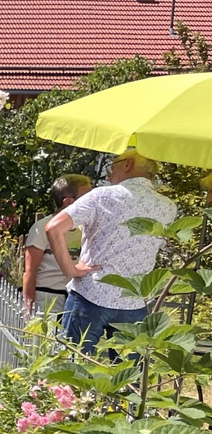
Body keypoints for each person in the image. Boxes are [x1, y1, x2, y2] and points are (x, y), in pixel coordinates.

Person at [44, 149, 177, 354]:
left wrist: (71, 270)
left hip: (91, 294)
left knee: (72, 365)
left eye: (112, 166)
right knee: (128, 372)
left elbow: (54, 227)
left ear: (127, 164)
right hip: (135, 301)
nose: (109, 174)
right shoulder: (168, 207)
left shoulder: (101, 196)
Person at [22, 174, 91, 314]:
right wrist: (29, 309)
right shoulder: (41, 228)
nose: (92, 201)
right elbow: (29, 271)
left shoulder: (84, 229)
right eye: (87, 197)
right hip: (46, 300)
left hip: (74, 298)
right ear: (68, 202)